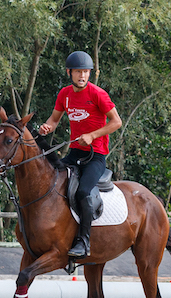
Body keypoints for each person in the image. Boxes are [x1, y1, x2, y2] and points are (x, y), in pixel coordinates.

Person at [38, 50, 123, 259]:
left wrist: (93, 135)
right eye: (78, 72)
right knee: (51, 179)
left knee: (83, 191)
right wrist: (47, 127)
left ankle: (84, 242)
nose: (82, 75)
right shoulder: (64, 94)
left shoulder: (97, 94)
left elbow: (116, 122)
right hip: (75, 153)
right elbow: (54, 119)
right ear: (69, 72)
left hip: (95, 156)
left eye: (85, 72)